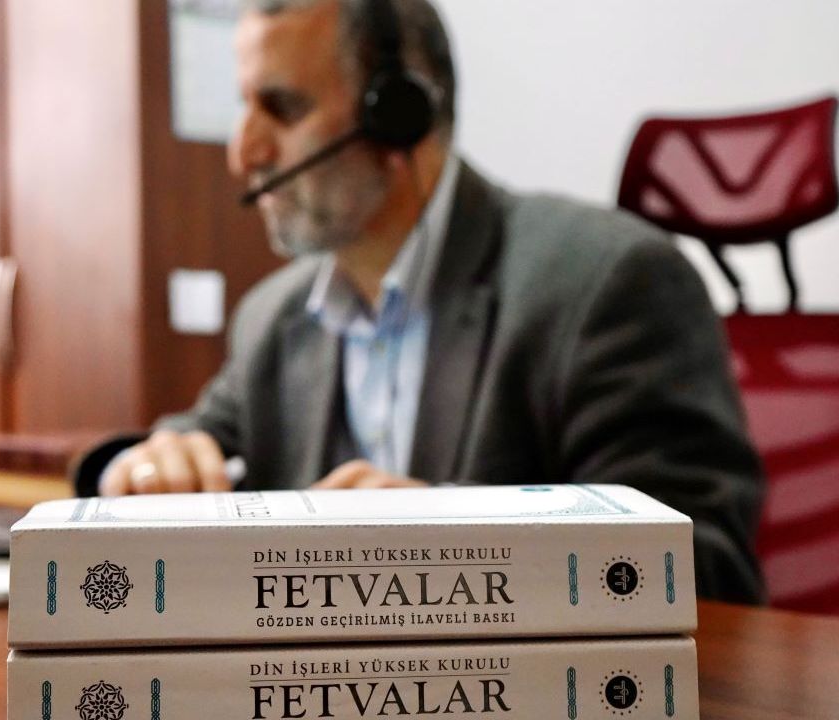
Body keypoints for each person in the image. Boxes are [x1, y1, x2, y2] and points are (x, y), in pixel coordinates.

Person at [76, 0, 765, 603]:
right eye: (243, 106)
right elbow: (193, 439)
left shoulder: (609, 281)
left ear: (397, 116)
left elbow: (705, 567)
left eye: (282, 108)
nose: (243, 152)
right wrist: (142, 468)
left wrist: (465, 539)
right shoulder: (272, 319)